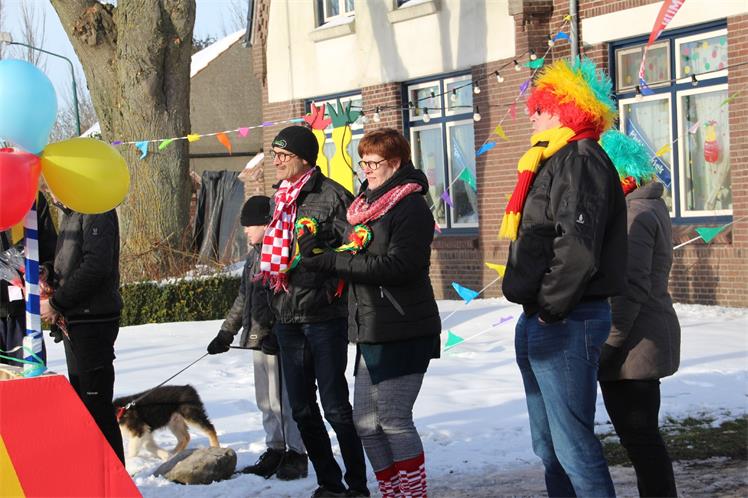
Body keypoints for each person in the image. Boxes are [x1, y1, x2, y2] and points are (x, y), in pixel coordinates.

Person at [500, 57, 627, 497]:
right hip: (542, 316)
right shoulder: (550, 160)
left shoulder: (580, 160)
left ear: (565, 110)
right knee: (549, 446)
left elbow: (578, 246)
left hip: (568, 319)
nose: (531, 116)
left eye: (540, 108)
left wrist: (551, 309)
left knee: (572, 446)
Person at [299, 128, 440, 498]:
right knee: (365, 423)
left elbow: (400, 266)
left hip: (405, 327)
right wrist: (320, 248)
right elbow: (354, 251)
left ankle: (413, 494)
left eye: (373, 163)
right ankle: (392, 492)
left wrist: (333, 262)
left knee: (393, 419)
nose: (366, 169)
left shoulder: (410, 206)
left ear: (395, 163)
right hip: (370, 327)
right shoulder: (364, 207)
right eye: (363, 162)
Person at [260, 125, 368, 498]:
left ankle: (357, 485)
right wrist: (268, 319)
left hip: (324, 317)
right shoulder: (278, 199)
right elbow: (270, 262)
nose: (276, 161)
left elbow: (356, 247)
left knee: (336, 407)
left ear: (305, 158)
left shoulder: (333, 196)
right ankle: (329, 483)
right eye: (274, 154)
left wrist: (323, 253)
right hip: (287, 318)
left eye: (283, 155)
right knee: (302, 410)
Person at [598, 129, 680, 497]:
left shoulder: (634, 214)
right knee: (642, 440)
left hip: (635, 343)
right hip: (641, 336)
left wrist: (611, 343)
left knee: (641, 440)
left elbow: (630, 286)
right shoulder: (646, 207)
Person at [207, 195, 308, 480]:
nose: (245, 231)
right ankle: (275, 448)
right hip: (257, 338)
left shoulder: (281, 251)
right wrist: (226, 332)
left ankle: (296, 453)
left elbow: (287, 295)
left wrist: (275, 331)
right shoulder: (253, 255)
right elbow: (244, 297)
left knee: (284, 400)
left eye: (249, 225)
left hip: (279, 340)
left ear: (266, 224)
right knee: (265, 400)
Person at [40, 206, 125, 464]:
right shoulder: (71, 214)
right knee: (84, 408)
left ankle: (112, 477)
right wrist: (49, 272)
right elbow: (70, 262)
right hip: (75, 321)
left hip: (93, 321)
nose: (54, 193)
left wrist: (57, 303)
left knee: (97, 408)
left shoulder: (96, 210)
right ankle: (93, 472)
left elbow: (95, 267)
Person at [0, 193, 57, 366]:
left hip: (25, 315)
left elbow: (51, 251)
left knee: (29, 378)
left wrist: (45, 271)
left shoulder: (31, 195)